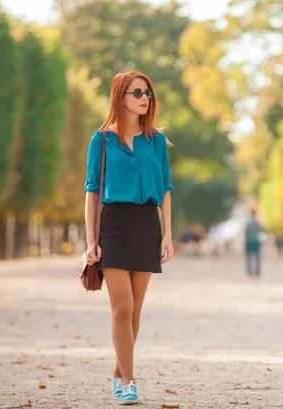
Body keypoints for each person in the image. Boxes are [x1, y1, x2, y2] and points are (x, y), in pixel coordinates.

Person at [84, 70, 174, 405]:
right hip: (114, 224)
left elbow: (165, 189)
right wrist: (90, 240)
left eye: (148, 93)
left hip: (147, 226)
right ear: (120, 97)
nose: (144, 98)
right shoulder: (101, 140)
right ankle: (130, 382)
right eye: (137, 92)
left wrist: (168, 235)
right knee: (122, 308)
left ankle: (116, 376)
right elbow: (92, 191)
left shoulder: (157, 141)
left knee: (135, 311)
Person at [244, 207, 264, 278]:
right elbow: (261, 231)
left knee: (248, 257)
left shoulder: (247, 222)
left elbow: (245, 232)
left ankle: (249, 273)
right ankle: (257, 273)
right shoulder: (258, 222)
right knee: (257, 258)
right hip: (256, 240)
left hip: (249, 241)